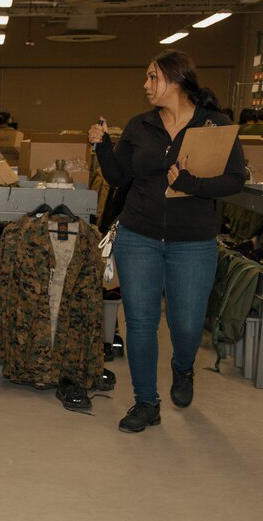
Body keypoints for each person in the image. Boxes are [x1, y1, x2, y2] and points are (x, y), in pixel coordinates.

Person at [90, 49, 246, 433]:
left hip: (193, 242)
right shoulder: (139, 125)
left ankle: (183, 367)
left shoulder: (215, 124)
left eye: (152, 78)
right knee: (141, 322)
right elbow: (118, 177)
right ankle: (146, 403)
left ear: (176, 80)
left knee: (188, 324)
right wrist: (100, 145)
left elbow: (235, 178)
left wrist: (190, 184)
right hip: (138, 235)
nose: (145, 85)